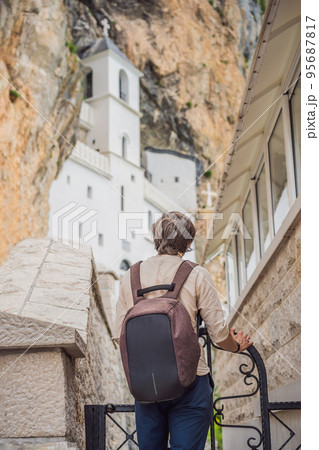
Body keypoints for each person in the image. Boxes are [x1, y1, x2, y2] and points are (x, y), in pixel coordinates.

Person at [112, 211, 252, 450]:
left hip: (146, 384)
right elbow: (218, 336)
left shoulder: (131, 276)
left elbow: (118, 334)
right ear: (188, 244)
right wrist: (237, 344)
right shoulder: (197, 274)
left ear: (156, 239)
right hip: (191, 381)